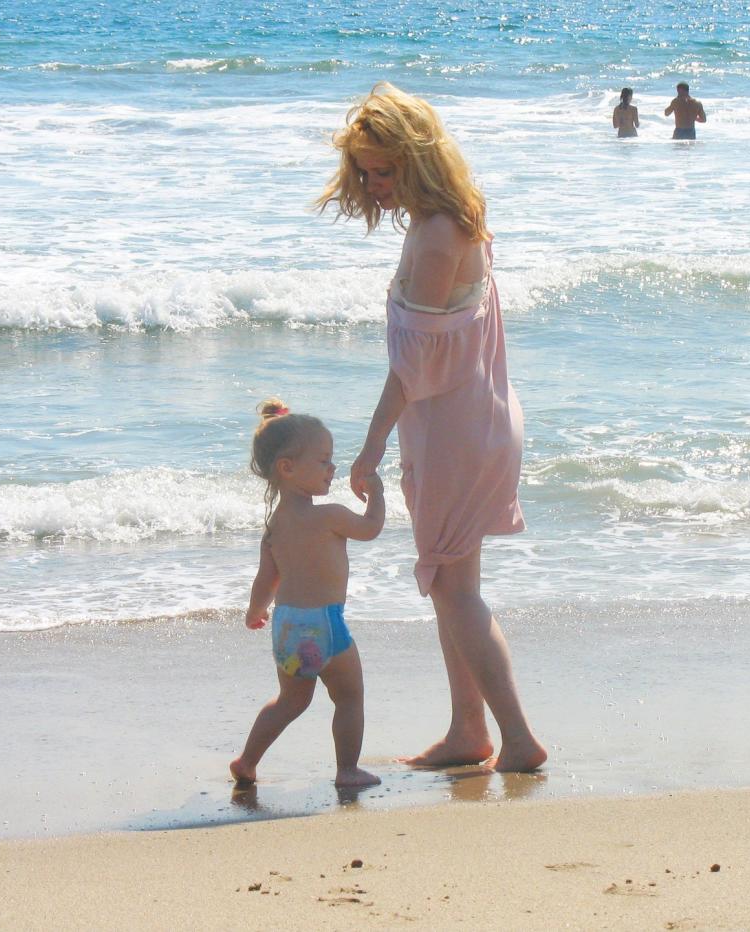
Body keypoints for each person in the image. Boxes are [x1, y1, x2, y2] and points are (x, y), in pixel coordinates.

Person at [316, 83, 547, 773]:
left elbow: (413, 364)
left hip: (456, 429)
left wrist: (370, 444)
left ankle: (518, 738)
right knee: (451, 581)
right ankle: (467, 733)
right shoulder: (448, 220)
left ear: (417, 161)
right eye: (365, 170)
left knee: (454, 588)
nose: (373, 183)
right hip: (463, 418)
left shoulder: (440, 234)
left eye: (384, 169)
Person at [230, 398, 385, 789]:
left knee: (290, 702)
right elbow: (370, 528)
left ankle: (247, 761)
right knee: (349, 698)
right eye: (323, 461)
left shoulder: (275, 527)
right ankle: (347, 770)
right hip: (325, 626)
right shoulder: (328, 516)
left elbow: (267, 578)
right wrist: (377, 493)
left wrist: (255, 611)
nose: (331, 468)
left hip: (286, 627)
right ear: (287, 467)